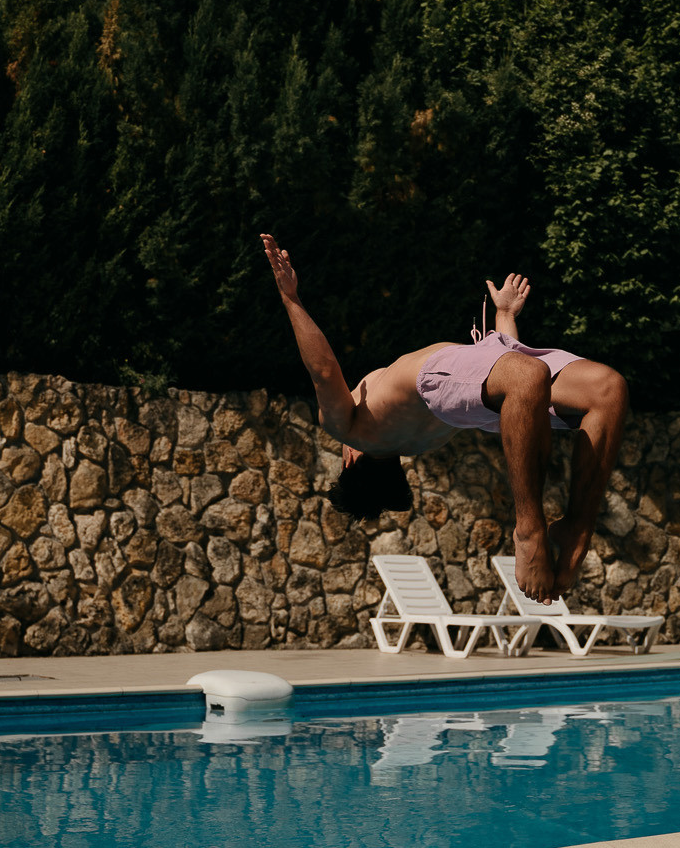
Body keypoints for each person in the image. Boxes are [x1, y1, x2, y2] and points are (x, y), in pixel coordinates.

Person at [260, 233, 628, 601]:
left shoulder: (424, 440)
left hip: (479, 387)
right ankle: (529, 530)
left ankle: (578, 527)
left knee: (606, 390)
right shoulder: (352, 431)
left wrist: (504, 317)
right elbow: (324, 372)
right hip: (441, 378)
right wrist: (290, 299)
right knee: (538, 377)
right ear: (351, 461)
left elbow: (486, 383)